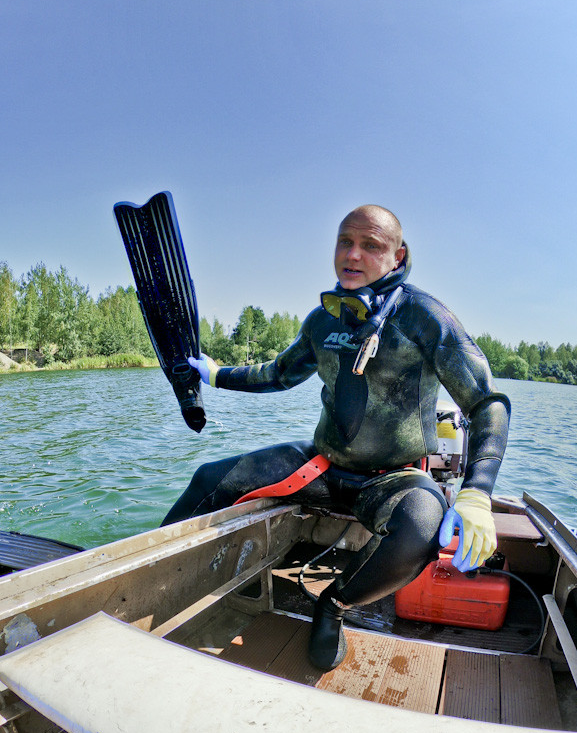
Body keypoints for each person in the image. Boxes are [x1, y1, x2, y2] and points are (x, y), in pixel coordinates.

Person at [162, 205, 510, 671]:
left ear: (397, 256)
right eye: (345, 242)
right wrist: (217, 374)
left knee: (422, 528)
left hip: (394, 479)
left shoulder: (425, 318)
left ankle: (334, 606)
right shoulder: (322, 320)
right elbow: (280, 374)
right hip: (323, 466)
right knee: (208, 480)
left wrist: (477, 495)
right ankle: (151, 584)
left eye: (371, 245)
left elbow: (487, 402)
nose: (352, 254)